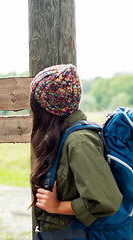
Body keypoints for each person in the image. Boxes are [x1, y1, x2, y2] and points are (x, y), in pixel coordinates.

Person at [29, 64, 122, 235]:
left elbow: (106, 200)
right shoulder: (63, 136)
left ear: (47, 107)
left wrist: (57, 206)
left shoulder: (79, 141)